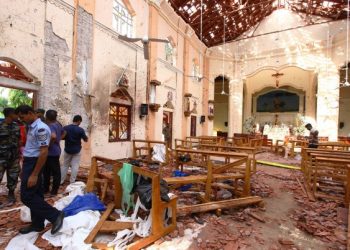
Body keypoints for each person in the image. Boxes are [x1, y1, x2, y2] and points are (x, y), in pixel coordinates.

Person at [16, 105, 64, 234]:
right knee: (36, 194)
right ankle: (37, 224)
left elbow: (43, 152)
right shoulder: (32, 127)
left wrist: (34, 174)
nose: (22, 119)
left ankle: (55, 215)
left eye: (23, 116)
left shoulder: (41, 128)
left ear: (31, 113)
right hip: (29, 162)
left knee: (26, 196)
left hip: (34, 163)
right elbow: (32, 148)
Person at [0, 108, 21, 207]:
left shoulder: (16, 126)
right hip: (1, 157)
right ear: (10, 114)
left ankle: (11, 195)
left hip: (14, 158)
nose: (17, 115)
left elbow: (19, 140)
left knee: (13, 177)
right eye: (15, 113)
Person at [61, 115, 88, 184]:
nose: (80, 123)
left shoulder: (66, 128)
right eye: (80, 122)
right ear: (79, 121)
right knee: (75, 166)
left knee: (65, 165)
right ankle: (72, 182)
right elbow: (85, 139)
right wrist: (85, 138)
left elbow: (62, 137)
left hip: (67, 149)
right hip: (76, 150)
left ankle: (61, 181)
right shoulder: (80, 130)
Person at [43, 110, 64, 196]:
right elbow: (64, 132)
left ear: (46, 117)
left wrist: (48, 146)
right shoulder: (58, 124)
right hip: (56, 151)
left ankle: (51, 190)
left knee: (49, 172)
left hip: (51, 152)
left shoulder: (50, 126)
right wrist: (58, 140)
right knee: (52, 171)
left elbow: (53, 136)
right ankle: (50, 189)